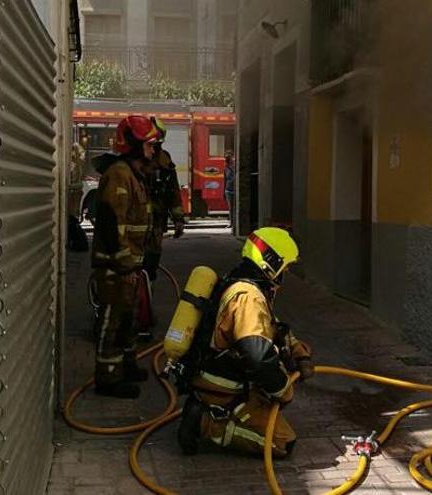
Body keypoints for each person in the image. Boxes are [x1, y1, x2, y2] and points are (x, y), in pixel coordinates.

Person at [176, 227, 314, 457]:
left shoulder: (247, 283)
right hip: (223, 384)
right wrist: (283, 389)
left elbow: (273, 327)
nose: (286, 272)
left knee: (271, 408)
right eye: (285, 266)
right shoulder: (249, 297)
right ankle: (204, 422)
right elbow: (259, 358)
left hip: (226, 377)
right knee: (281, 443)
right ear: (271, 262)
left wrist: (299, 353)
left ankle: (213, 408)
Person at [90, 115, 160, 399]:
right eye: (149, 144)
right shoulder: (119, 175)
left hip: (129, 266)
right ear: (134, 145)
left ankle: (126, 366)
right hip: (115, 268)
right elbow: (112, 223)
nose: (153, 150)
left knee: (129, 320)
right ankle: (108, 378)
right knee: (114, 321)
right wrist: (123, 263)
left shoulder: (134, 175)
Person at [143, 117, 185, 282]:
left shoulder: (164, 160)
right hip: (137, 218)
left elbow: (173, 191)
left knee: (152, 260)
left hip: (156, 219)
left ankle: (147, 291)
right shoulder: (133, 160)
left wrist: (178, 219)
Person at [223, 151, 236, 230]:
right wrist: (223, 192)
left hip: (234, 189)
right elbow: (225, 180)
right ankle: (231, 223)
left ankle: (234, 223)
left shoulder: (235, 167)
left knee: (234, 208)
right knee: (231, 208)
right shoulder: (226, 168)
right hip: (228, 190)